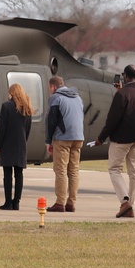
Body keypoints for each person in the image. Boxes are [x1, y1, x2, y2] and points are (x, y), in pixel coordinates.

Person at [95, 64, 135, 218]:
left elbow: (113, 119)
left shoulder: (122, 95)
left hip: (121, 139)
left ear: (125, 76)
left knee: (114, 169)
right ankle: (132, 204)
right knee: (134, 171)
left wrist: (101, 137)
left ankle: (124, 201)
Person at [45, 75, 85, 212]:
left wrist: (48, 141)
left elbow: (51, 121)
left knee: (60, 170)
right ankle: (71, 203)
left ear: (52, 86)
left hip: (62, 138)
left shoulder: (56, 98)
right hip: (78, 137)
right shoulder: (78, 98)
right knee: (73, 171)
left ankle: (60, 202)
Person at [0, 83, 33, 210]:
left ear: (11, 93)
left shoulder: (6, 106)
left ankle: (7, 202)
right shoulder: (27, 107)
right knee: (19, 174)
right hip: (21, 144)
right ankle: (16, 202)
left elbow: (2, 128)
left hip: (7, 144)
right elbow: (28, 129)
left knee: (7, 174)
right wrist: (23, 141)